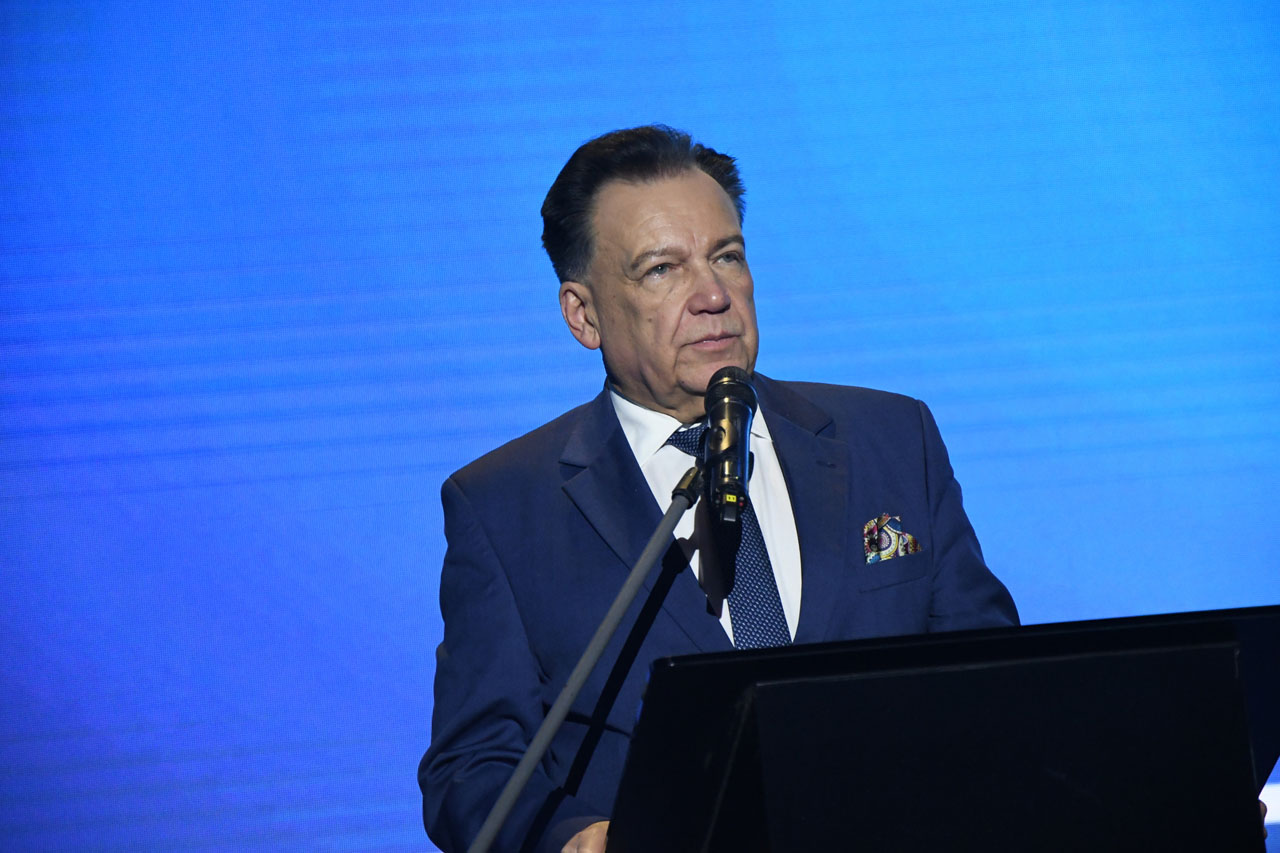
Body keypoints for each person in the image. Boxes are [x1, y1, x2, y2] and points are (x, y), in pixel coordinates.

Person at [418, 125, 1019, 853]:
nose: (712, 295)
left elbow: (998, 684)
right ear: (584, 315)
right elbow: (472, 768)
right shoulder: (505, 505)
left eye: (726, 256)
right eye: (661, 270)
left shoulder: (891, 439)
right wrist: (576, 840)